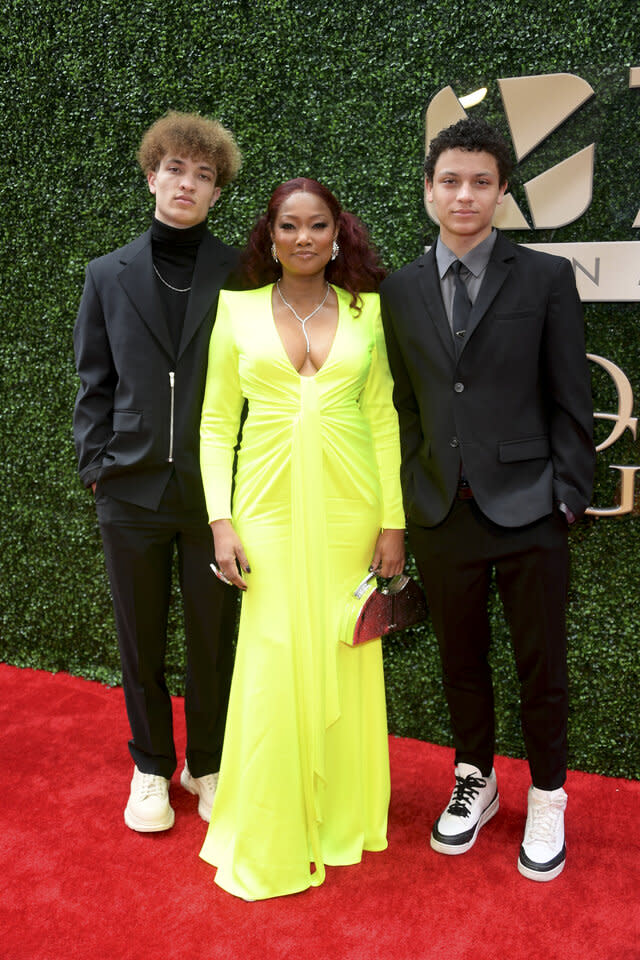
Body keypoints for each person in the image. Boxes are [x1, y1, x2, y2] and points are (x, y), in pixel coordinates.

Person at [380, 117, 595, 882]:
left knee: (543, 666)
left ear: (503, 193)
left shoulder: (543, 277)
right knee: (460, 662)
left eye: (480, 181)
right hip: (442, 512)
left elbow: (572, 398)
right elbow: (403, 406)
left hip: (531, 507)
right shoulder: (399, 289)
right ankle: (478, 775)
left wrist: (567, 497)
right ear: (429, 190)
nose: (464, 194)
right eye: (450, 180)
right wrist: (407, 500)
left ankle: (547, 793)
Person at [198, 177, 405, 900]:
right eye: (291, 226)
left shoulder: (367, 312)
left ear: (338, 233)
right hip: (266, 508)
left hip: (354, 505)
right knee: (274, 649)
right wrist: (220, 519)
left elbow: (382, 417)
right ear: (271, 234)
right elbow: (217, 422)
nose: (306, 238)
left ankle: (341, 813)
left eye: (319, 225)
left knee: (344, 648)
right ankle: (274, 819)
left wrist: (394, 521)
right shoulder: (237, 311)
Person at [73, 111, 242, 832]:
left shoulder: (241, 272)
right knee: (139, 637)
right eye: (176, 169)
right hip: (131, 489)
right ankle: (149, 768)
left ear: (215, 193)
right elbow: (94, 382)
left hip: (215, 498)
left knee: (214, 635)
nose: (187, 183)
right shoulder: (105, 274)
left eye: (203, 176)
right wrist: (98, 467)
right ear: (152, 175)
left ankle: (205, 765)